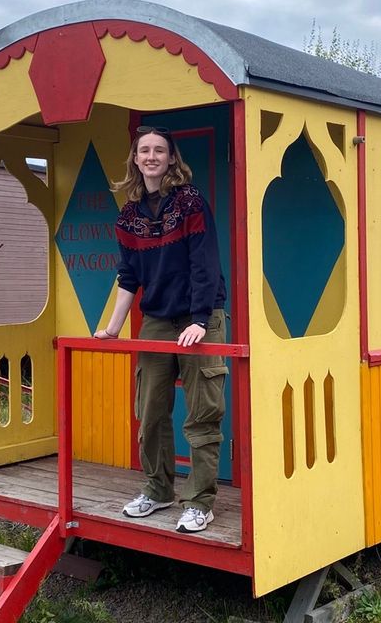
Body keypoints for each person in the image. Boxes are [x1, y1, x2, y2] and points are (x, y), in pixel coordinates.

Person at [95, 125, 227, 534]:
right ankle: (157, 490)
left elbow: (205, 265)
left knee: (202, 415)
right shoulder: (128, 217)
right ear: (135, 159)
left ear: (172, 158)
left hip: (198, 317)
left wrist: (200, 321)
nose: (151, 156)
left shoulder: (190, 203)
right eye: (144, 150)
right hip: (155, 322)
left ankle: (200, 502)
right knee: (150, 412)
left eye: (159, 150)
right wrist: (113, 329)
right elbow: (128, 276)